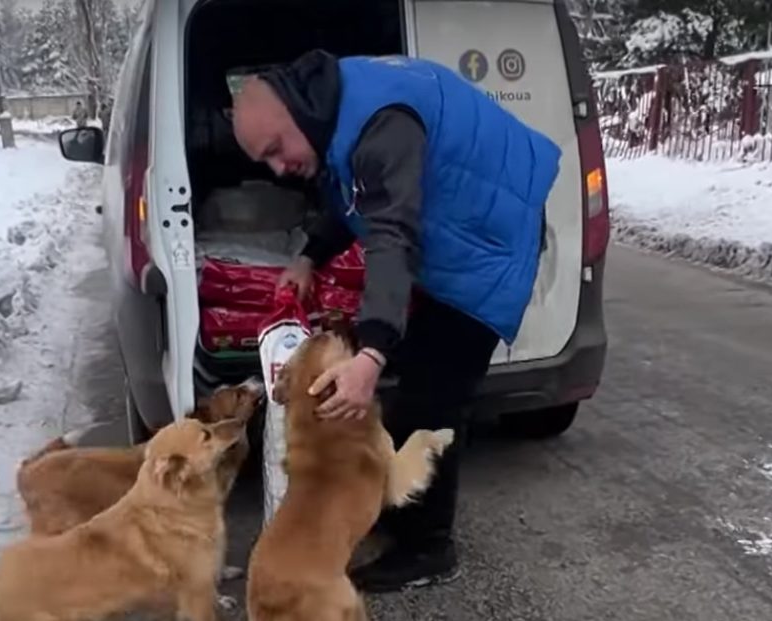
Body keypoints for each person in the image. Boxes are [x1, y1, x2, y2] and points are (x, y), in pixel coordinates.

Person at [231, 50, 561, 593]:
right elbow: (354, 193)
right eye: (263, 160)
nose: (277, 168)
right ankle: (402, 510)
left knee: (435, 395)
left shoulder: (380, 126)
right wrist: (311, 253)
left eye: (276, 150)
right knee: (417, 378)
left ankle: (430, 549)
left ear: (295, 115)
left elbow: (392, 235)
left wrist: (372, 353)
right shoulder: (332, 107)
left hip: (490, 241)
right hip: (462, 225)